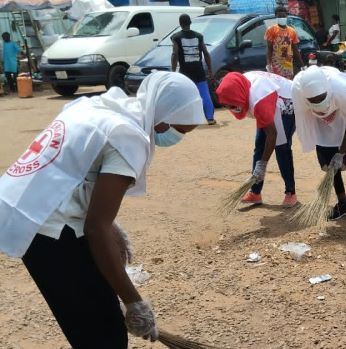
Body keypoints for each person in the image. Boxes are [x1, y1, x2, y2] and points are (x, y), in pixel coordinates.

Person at [0, 72, 205, 348]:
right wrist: (135, 304)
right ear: (162, 117)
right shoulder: (129, 138)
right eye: (179, 130)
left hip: (26, 207)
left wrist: (110, 227)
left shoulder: (100, 106)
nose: (177, 138)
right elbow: (96, 229)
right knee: (103, 339)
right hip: (45, 229)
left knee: (98, 317)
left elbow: (78, 170)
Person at [292, 66, 346, 219]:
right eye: (313, 100)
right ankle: (343, 203)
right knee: (329, 158)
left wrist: (341, 152)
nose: (317, 101)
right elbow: (303, 119)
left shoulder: (339, 88)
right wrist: (325, 148)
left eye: (320, 99)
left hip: (344, 105)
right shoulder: (297, 90)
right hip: (316, 117)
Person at [215, 71, 298, 207]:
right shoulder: (239, 85)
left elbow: (272, 134)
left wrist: (262, 165)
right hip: (269, 100)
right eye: (227, 106)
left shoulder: (259, 99)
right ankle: (255, 192)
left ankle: (291, 192)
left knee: (282, 148)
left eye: (232, 105)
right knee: (259, 145)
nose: (231, 109)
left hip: (286, 102)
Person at [171, 14, 216, 125]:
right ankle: (210, 118)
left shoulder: (176, 37)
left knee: (184, 96)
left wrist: (173, 72)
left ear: (180, 24)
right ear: (190, 23)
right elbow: (206, 53)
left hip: (185, 73)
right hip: (199, 71)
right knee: (205, 94)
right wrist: (210, 70)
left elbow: (174, 54)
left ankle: (184, 120)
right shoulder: (199, 36)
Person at [265, 6, 302, 79]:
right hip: (276, 65)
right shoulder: (271, 30)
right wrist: (268, 64)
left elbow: (295, 49)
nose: (282, 18)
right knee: (278, 84)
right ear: (276, 16)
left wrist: (302, 64)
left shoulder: (292, 31)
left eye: (283, 16)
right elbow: (269, 48)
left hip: (288, 64)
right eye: (279, 16)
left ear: (286, 15)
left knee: (289, 83)